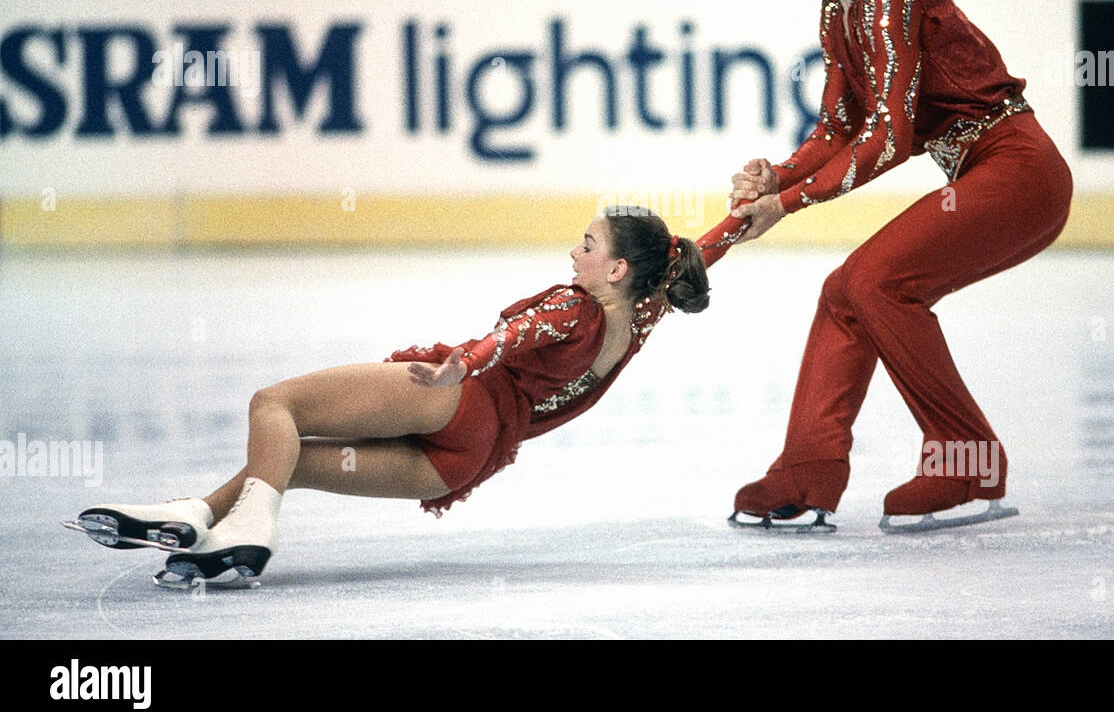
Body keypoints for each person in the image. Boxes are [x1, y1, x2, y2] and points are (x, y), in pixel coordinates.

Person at [697, 0, 1073, 530]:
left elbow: (891, 135)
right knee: (847, 291)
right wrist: (778, 175)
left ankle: (967, 461)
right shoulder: (839, 8)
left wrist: (786, 203)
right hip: (985, 172)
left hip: (1018, 171)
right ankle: (807, 471)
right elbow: (840, 128)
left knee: (875, 283)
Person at [69, 207, 710, 583]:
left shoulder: (579, 309)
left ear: (619, 269)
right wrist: (757, 207)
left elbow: (515, 335)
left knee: (274, 405)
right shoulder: (640, 319)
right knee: (294, 461)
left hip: (460, 400)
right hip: (466, 458)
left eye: (590, 246)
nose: (575, 251)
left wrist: (463, 366)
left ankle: (250, 527)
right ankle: (200, 519)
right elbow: (708, 246)